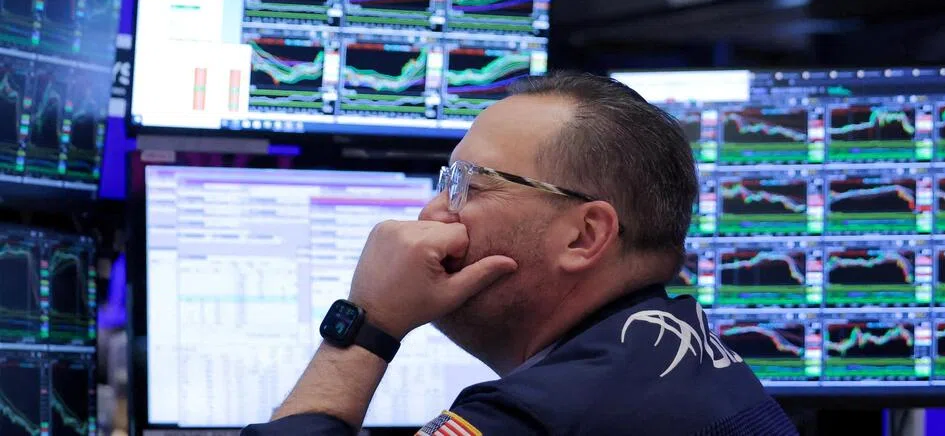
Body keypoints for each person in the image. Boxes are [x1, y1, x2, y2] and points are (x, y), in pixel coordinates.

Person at [244, 72, 799, 436]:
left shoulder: (539, 417)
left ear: (585, 236)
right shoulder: (693, 360)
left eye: (471, 186)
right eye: (445, 182)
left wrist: (365, 327)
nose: (431, 215)